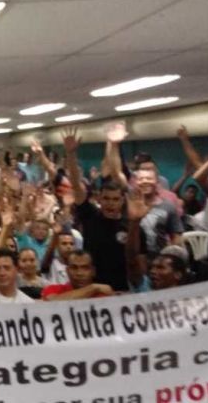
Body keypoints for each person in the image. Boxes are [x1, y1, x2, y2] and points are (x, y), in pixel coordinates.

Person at [63, 127, 145, 292]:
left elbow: (138, 264)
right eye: (106, 199)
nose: (110, 203)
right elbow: (76, 185)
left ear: (122, 201)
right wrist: (71, 155)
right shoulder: (90, 215)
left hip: (121, 289)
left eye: (115, 199)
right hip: (90, 288)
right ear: (99, 199)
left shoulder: (132, 227)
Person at [41, 250, 114, 301]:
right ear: (67, 271)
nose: (79, 273)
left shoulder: (102, 294)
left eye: (85, 268)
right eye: (74, 268)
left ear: (93, 271)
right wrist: (93, 288)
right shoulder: (53, 289)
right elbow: (53, 303)